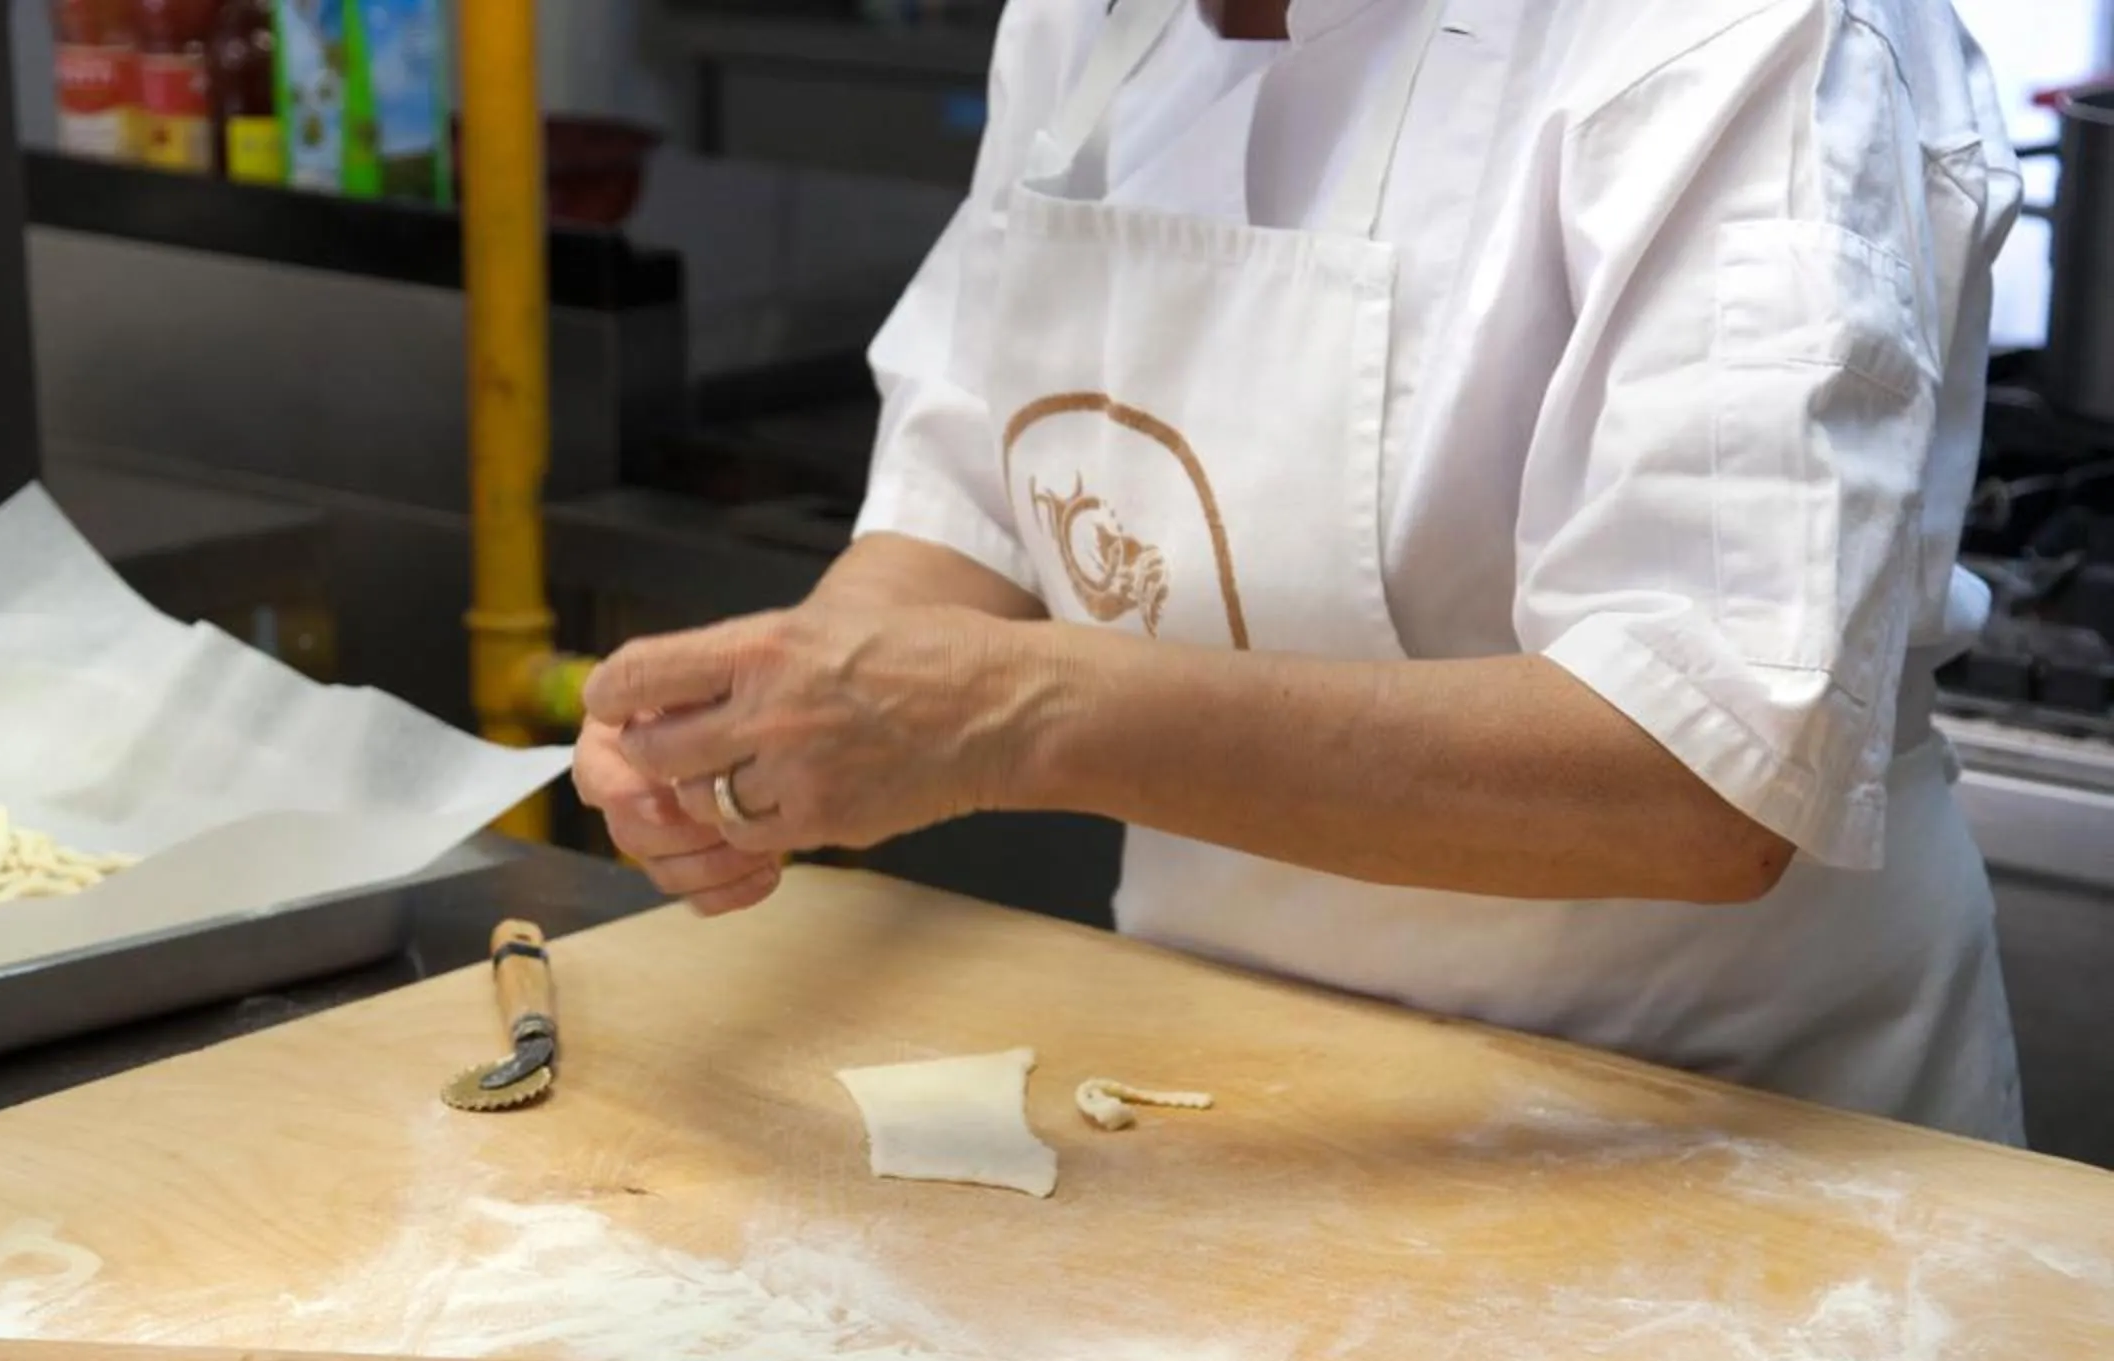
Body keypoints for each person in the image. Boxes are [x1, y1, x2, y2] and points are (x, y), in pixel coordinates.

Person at [572, 0, 2027, 1143]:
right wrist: (784, 710)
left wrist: (1010, 715)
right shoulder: (1089, 23)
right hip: (1231, 1090)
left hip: (1714, 1127)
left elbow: (1703, 779)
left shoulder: (1743, 31)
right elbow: (975, 490)